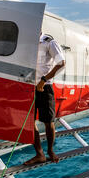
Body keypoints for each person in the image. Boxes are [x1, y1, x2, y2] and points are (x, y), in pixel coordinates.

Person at [24, 33, 65, 165]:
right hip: (28, 86)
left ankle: (50, 151)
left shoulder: (49, 42)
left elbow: (61, 63)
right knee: (30, 121)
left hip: (44, 87)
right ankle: (39, 154)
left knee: (48, 121)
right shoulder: (25, 41)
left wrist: (43, 80)